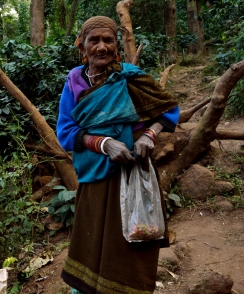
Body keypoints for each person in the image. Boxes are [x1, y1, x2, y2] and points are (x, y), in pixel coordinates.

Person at [56, 16, 180, 294]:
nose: (101, 47)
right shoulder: (75, 80)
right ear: (82, 47)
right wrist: (103, 143)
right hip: (96, 174)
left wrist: (150, 134)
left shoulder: (132, 76)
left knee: (133, 240)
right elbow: (65, 131)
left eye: (107, 40)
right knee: (92, 239)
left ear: (116, 47)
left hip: (134, 171)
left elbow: (170, 110)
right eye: (94, 40)